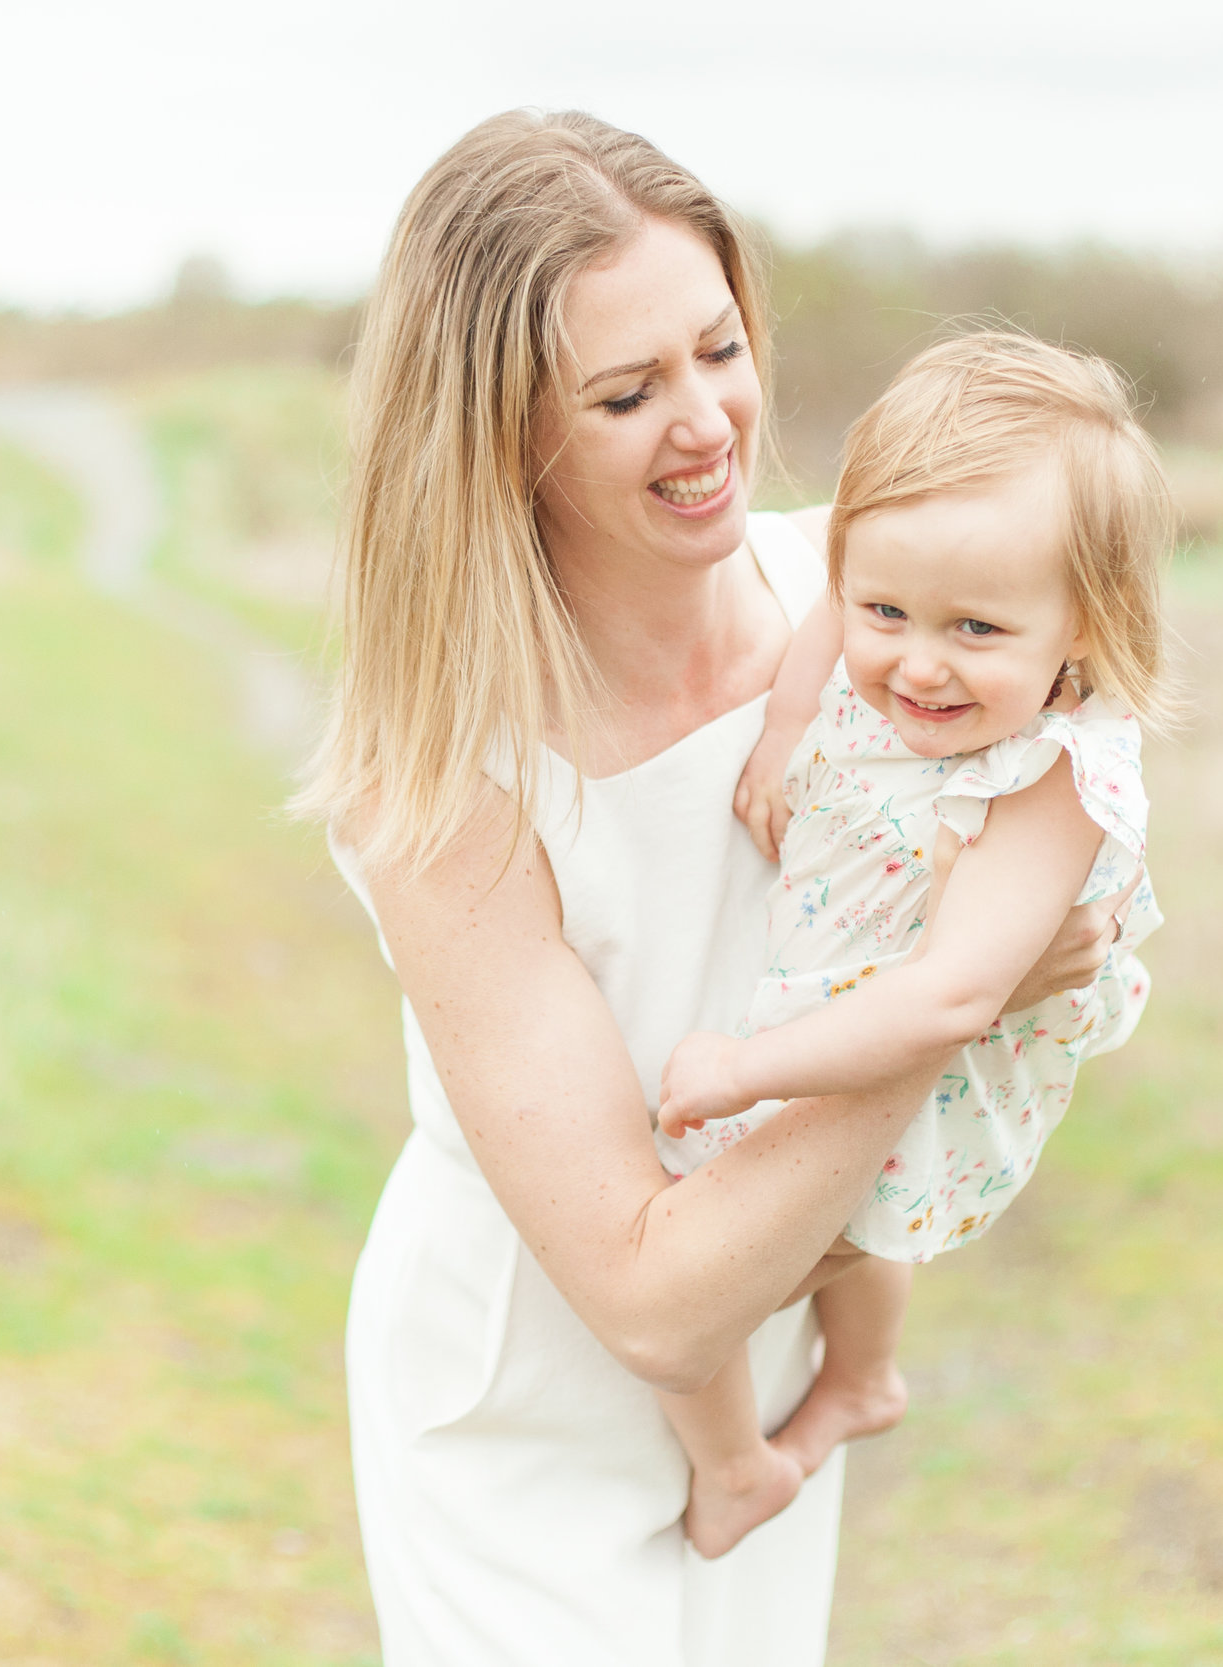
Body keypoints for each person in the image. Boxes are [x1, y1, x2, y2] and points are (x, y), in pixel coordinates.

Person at [296, 111, 1130, 1666]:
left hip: (772, 1335)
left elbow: (1085, 774)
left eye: (720, 349)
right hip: (529, 1393)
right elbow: (648, 1297)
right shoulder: (441, 772)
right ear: (493, 434)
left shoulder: (881, 611)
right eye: (626, 391)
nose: (708, 423)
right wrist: (948, 1010)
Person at [644, 331, 1173, 1558]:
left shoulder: (1055, 773)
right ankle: (863, 1375)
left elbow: (950, 997)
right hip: (861, 987)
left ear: (1085, 627)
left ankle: (733, 1465)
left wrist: (746, 1068)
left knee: (697, 1255)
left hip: (932, 1031)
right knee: (858, 1211)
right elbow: (833, 598)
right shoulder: (884, 610)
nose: (915, 663)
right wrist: (784, 726)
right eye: (888, 610)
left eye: (976, 631)